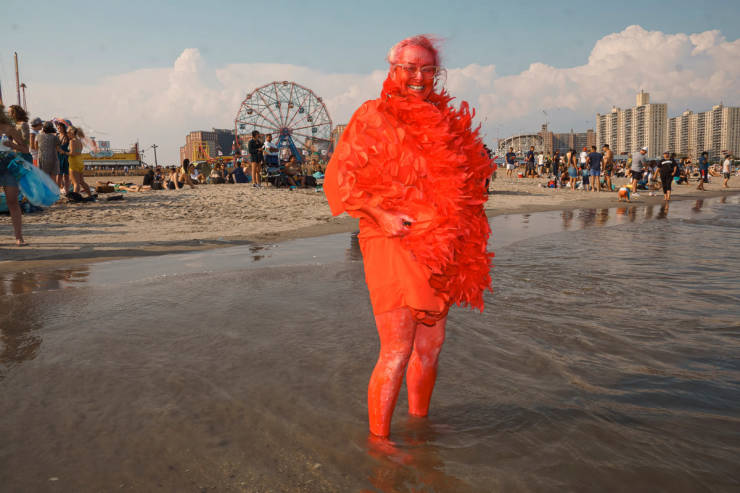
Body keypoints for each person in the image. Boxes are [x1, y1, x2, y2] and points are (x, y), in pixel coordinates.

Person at [324, 35, 492, 438]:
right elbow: (338, 180)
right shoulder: (373, 115)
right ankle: (379, 442)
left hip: (442, 246)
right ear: (393, 70)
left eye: (428, 69)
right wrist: (380, 215)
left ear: (437, 74)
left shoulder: (448, 123)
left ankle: (420, 427)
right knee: (397, 350)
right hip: (392, 241)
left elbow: (465, 184)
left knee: (430, 349)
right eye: (410, 68)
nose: (419, 77)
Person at [0, 105, 29, 246]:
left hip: (8, 165)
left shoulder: (9, 129)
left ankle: (19, 237)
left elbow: (25, 148)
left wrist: (12, 144)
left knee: (12, 201)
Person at [67, 127, 94, 198]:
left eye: (68, 132)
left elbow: (73, 153)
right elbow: (78, 152)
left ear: (71, 133)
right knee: (82, 181)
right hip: (80, 161)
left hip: (74, 162)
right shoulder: (79, 141)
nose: (67, 134)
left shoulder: (72, 141)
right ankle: (90, 195)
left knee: (75, 183)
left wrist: (63, 152)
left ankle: (75, 197)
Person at [55, 121, 71, 193]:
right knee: (59, 175)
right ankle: (57, 191)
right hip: (58, 157)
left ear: (64, 127)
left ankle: (67, 191)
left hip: (66, 156)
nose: (59, 128)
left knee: (66, 176)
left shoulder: (68, 136)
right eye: (58, 127)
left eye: (60, 127)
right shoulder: (56, 135)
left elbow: (71, 146)